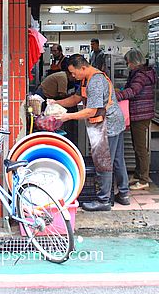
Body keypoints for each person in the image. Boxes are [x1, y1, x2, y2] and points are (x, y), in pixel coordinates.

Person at [52, 54, 128, 212]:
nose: (72, 76)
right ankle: (124, 193)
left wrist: (67, 116)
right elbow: (75, 99)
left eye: (74, 72)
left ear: (83, 68)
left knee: (103, 162)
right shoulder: (86, 79)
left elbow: (92, 111)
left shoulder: (95, 81)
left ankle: (104, 200)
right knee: (117, 160)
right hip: (114, 121)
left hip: (107, 124)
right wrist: (55, 102)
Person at [116, 49, 156, 190]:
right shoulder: (144, 73)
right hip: (142, 113)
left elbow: (133, 91)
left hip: (140, 114)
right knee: (137, 146)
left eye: (128, 63)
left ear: (133, 62)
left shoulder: (140, 75)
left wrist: (115, 97)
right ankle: (139, 174)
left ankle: (144, 179)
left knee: (140, 148)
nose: (128, 65)